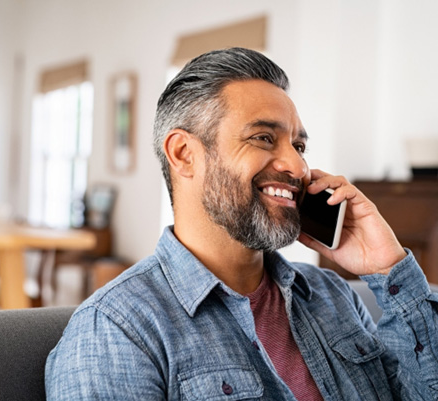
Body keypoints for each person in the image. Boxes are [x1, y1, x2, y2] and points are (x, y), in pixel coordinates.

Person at [45, 47, 438, 400]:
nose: (298, 166)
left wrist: (388, 268)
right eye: (265, 138)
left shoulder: (333, 296)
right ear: (184, 154)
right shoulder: (117, 330)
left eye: (299, 146)